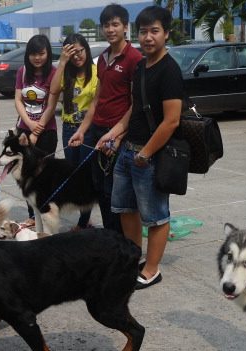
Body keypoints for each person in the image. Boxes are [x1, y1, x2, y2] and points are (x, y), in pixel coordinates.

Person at [97, 5, 183, 289]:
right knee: (125, 209)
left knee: (156, 216)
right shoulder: (140, 67)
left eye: (154, 31)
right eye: (144, 31)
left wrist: (146, 153)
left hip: (151, 155)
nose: (148, 37)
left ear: (166, 34)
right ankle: (133, 259)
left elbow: (170, 121)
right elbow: (134, 109)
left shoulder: (169, 70)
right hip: (128, 151)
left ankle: (152, 269)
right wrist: (114, 133)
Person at [68, 3, 142, 233]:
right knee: (99, 187)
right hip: (98, 131)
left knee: (116, 191)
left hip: (118, 135)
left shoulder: (134, 58)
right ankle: (110, 237)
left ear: (125, 27)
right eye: (106, 25)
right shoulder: (102, 59)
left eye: (115, 24)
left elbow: (135, 104)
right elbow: (97, 98)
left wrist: (117, 136)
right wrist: (82, 129)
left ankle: (120, 241)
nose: (110, 29)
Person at [49, 33, 98, 231]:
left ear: (86, 49)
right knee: (73, 174)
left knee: (87, 175)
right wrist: (62, 62)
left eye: (80, 51)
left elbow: (97, 102)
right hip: (69, 129)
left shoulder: (96, 72)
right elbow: (53, 91)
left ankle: (83, 222)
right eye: (72, 52)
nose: (77, 56)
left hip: (89, 130)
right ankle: (83, 219)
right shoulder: (66, 73)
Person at [14, 34, 57, 227]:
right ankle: (33, 215)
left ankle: (46, 213)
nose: (37, 58)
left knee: (44, 175)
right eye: (33, 54)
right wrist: (29, 125)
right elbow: (18, 100)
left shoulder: (54, 73)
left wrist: (37, 130)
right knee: (25, 174)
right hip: (24, 130)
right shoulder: (23, 72)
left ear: (47, 53)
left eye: (41, 53)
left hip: (46, 132)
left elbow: (51, 105)